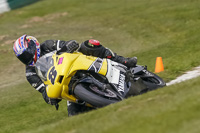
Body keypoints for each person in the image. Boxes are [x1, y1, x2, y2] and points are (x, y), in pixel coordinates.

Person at [13, 35, 137, 116]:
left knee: (89, 44)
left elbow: (67, 45)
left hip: (77, 65)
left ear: (33, 45)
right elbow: (44, 91)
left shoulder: (48, 45)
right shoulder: (30, 73)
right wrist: (50, 98)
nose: (27, 57)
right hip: (66, 87)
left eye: (27, 53)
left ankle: (123, 61)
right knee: (74, 116)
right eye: (22, 57)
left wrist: (68, 46)